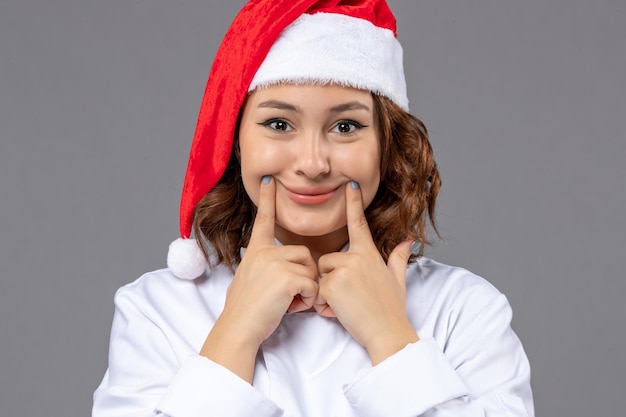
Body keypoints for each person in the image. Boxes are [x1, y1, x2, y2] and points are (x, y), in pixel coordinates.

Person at [93, 1, 534, 416]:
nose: (312, 163)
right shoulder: (157, 311)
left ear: (387, 145)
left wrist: (391, 339)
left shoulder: (464, 310)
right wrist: (234, 335)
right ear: (235, 143)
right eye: (278, 124)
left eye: (346, 126)